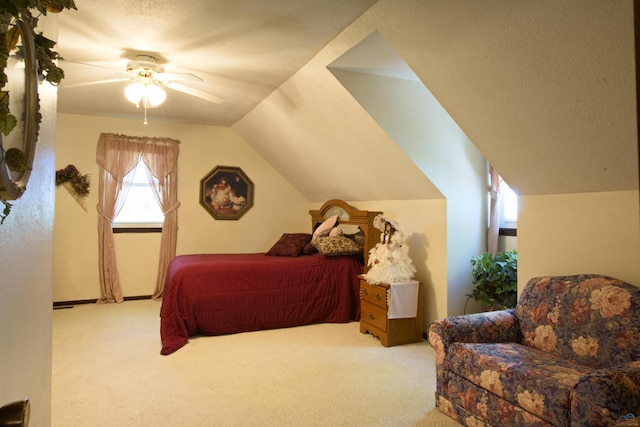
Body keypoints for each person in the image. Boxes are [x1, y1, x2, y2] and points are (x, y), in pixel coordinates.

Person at [363, 214, 416, 285]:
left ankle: (392, 276)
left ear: (392, 227)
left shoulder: (395, 235)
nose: (388, 228)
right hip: (383, 249)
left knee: (392, 263)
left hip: (392, 250)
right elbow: (382, 242)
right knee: (381, 262)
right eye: (386, 226)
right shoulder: (383, 235)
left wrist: (391, 246)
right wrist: (378, 247)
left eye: (389, 226)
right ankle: (381, 276)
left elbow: (397, 243)